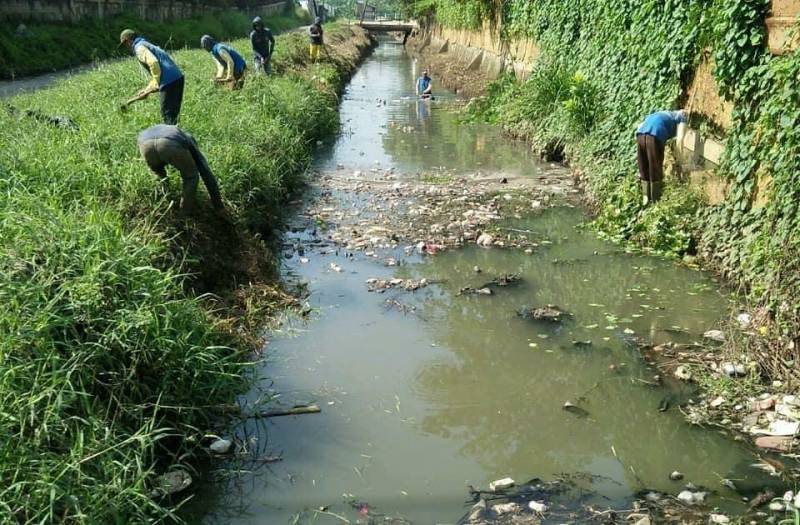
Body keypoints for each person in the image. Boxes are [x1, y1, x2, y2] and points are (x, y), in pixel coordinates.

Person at [137, 124, 224, 213]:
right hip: (169, 143)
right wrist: (218, 204)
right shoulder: (188, 139)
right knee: (191, 177)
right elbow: (205, 171)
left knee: (159, 176)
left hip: (144, 144)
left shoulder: (172, 131)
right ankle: (184, 214)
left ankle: (163, 207)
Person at [120, 29, 185, 125]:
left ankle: (171, 138)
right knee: (173, 115)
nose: (126, 47)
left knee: (167, 115)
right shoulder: (145, 43)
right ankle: (178, 137)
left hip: (169, 81)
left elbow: (153, 63)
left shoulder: (139, 48)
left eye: (125, 44)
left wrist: (155, 83)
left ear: (128, 40)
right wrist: (147, 89)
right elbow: (158, 70)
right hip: (177, 78)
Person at [635, 110, 688, 204]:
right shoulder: (682, 118)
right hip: (655, 136)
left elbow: (640, 125)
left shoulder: (662, 114)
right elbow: (680, 140)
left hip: (640, 135)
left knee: (644, 166)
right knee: (655, 166)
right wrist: (680, 161)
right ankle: (656, 199)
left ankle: (646, 198)